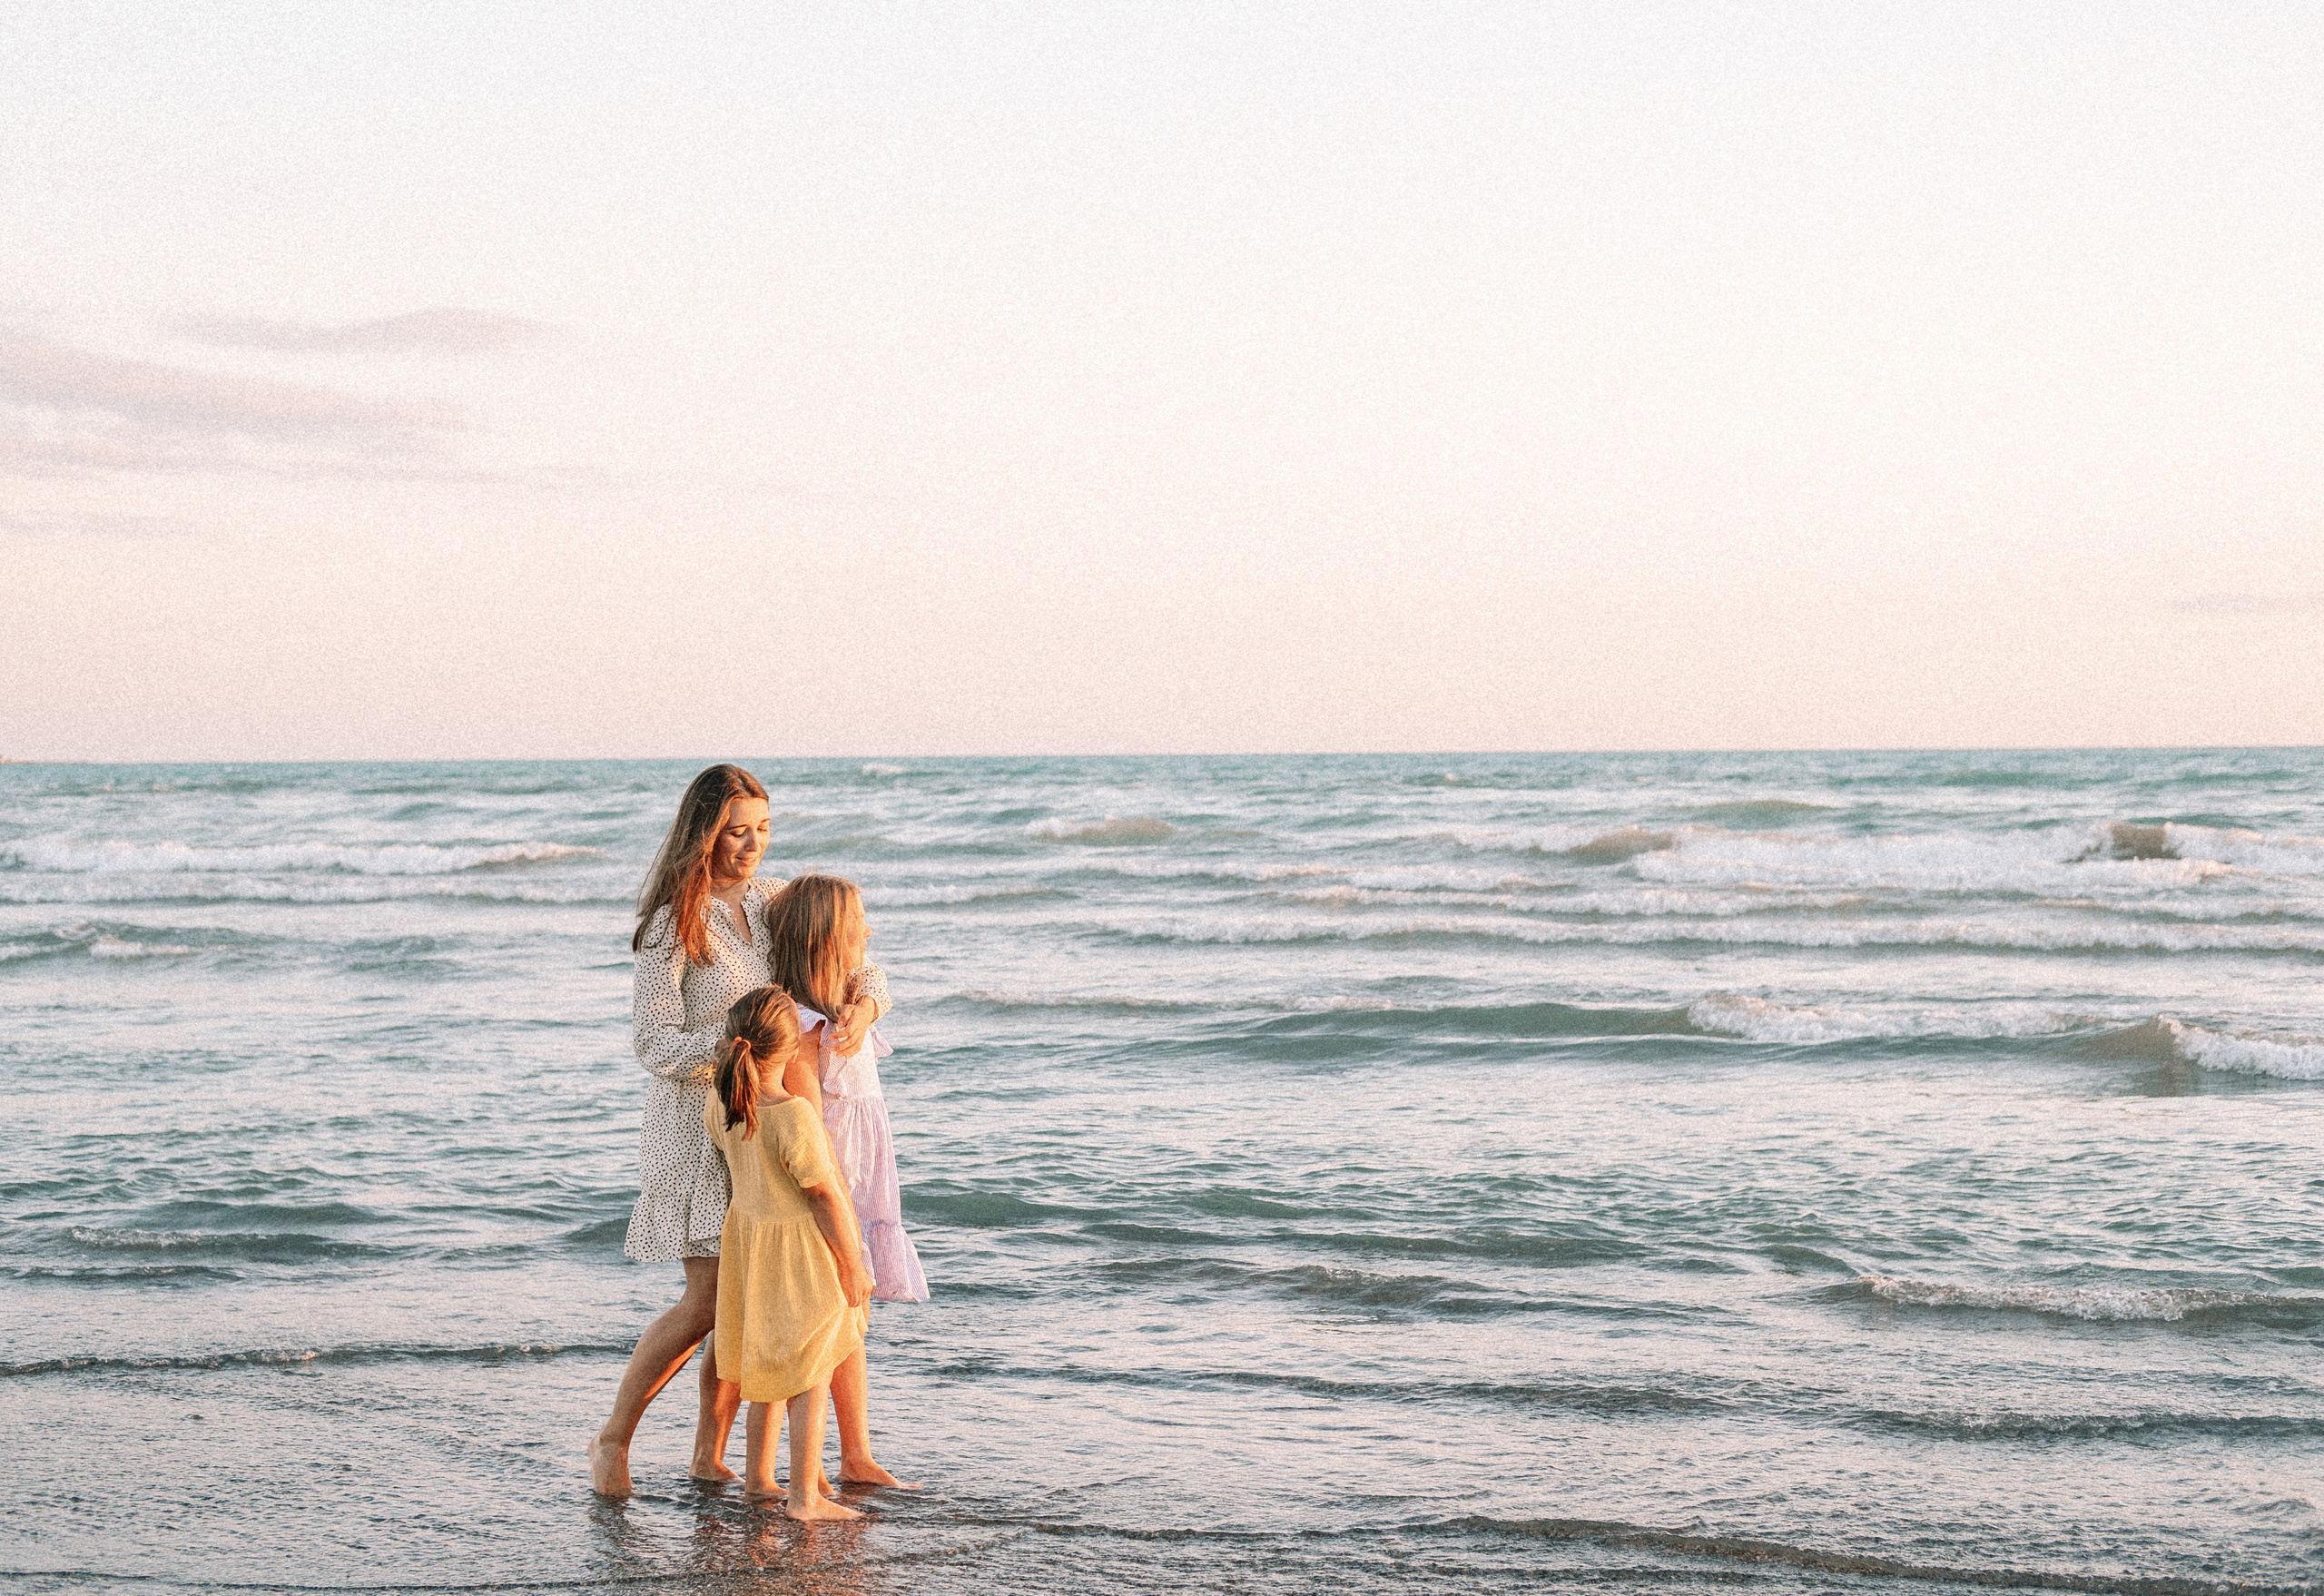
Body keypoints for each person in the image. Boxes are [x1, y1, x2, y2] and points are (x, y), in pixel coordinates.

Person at [588, 764, 890, 1498]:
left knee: (753, 1298)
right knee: (709, 1300)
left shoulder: (773, 899)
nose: (752, 845)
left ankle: (710, 1456)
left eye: (763, 829)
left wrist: (865, 1008)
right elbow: (654, 1045)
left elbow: (858, 958)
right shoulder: (672, 926)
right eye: (736, 831)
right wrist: (739, 1055)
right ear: (703, 833)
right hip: (699, 1129)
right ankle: (612, 1441)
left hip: (773, 1122)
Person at [703, 986, 872, 1519]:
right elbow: (823, 1196)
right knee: (811, 1372)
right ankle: (804, 1497)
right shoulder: (794, 1114)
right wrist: (853, 1266)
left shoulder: (724, 1105)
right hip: (800, 1257)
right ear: (790, 1047)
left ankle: (758, 1479)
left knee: (769, 1370)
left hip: (752, 1253)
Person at [767, 874, 929, 1304]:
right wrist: (841, 1227)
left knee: (852, 1316)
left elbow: (878, 983)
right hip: (835, 1187)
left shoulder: (852, 1005)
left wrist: (867, 1008)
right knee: (837, 1306)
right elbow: (810, 1131)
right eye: (858, 920)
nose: (868, 929)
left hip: (866, 1175)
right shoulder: (806, 1028)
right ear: (825, 939)